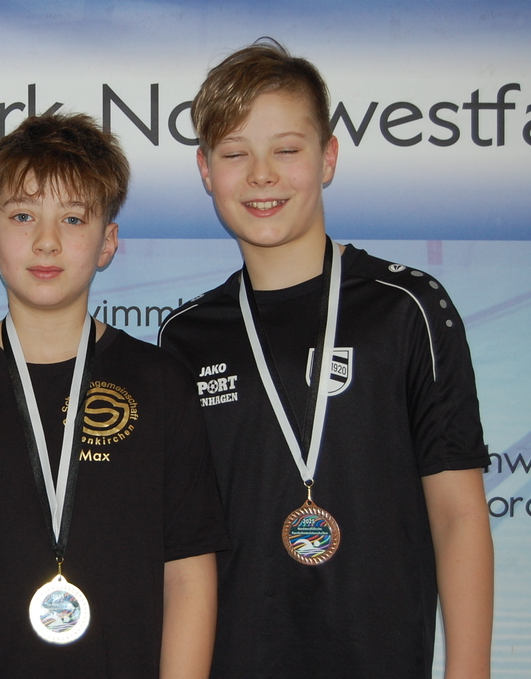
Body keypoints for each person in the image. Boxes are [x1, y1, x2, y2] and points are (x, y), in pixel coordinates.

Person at [158, 40, 493, 679]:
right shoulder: (186, 337)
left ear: (328, 156)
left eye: (286, 150)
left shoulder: (407, 307)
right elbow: (184, 551)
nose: (262, 175)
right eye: (235, 153)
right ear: (205, 170)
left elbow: (457, 514)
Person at [0, 113, 229, 679]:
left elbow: (187, 574)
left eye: (73, 218)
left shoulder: (160, 384)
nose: (47, 241)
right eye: (23, 216)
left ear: (107, 242)